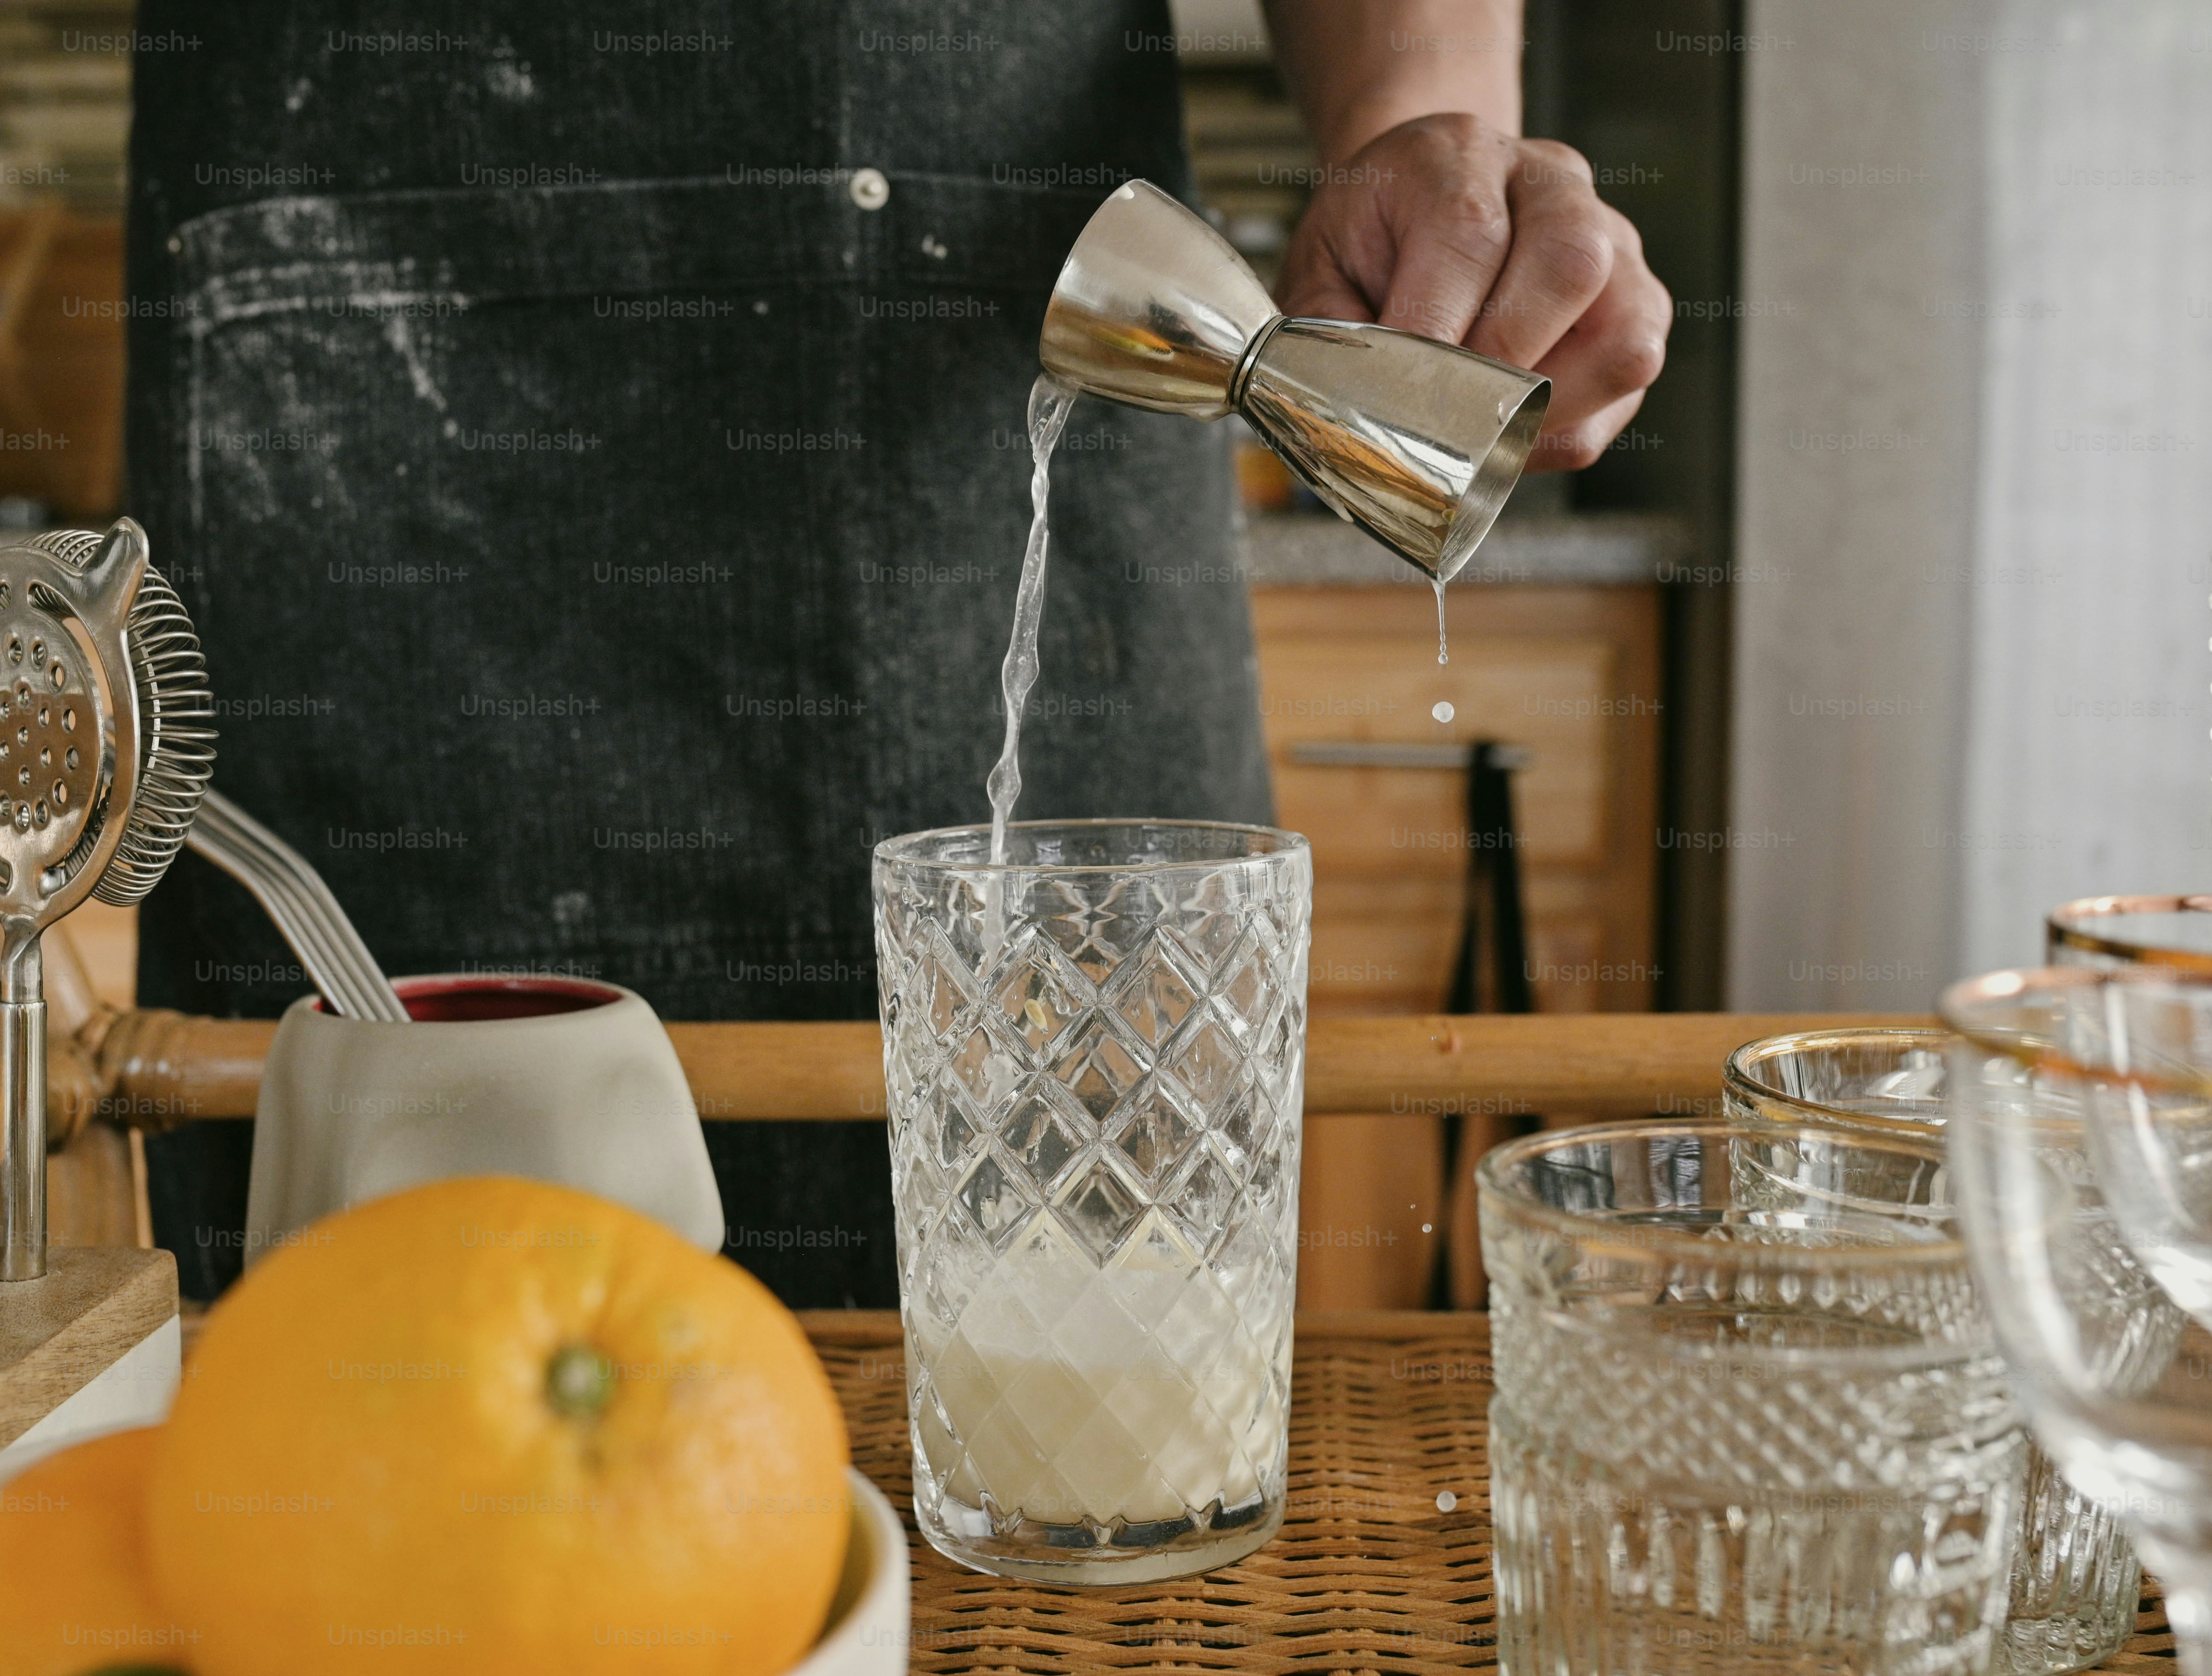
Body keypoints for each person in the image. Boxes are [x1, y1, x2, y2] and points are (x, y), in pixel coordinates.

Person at [124, 0, 1667, 1305]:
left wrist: (1430, 123)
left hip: (1029, 391)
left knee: (1097, 1403)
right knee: (383, 1457)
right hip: (370, 471)